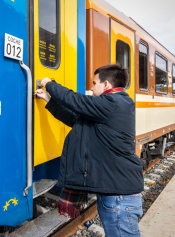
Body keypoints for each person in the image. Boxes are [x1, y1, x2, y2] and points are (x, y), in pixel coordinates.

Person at [35, 63, 144, 237]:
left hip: (120, 197)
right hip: (116, 191)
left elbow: (75, 100)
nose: (91, 88)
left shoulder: (113, 103)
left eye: (94, 83)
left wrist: (49, 84)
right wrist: (49, 99)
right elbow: (74, 119)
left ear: (106, 84)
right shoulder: (113, 105)